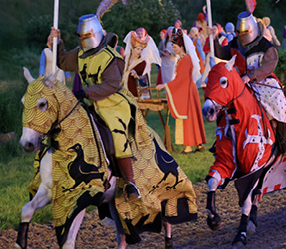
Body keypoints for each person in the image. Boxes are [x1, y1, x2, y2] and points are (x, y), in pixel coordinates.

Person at [49, 15, 141, 201]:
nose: (84, 40)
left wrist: (87, 92)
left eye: (87, 36)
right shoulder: (80, 54)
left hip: (112, 103)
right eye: (81, 37)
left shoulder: (110, 57)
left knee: (116, 132)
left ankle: (130, 183)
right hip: (87, 101)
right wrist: (56, 42)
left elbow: (112, 84)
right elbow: (62, 61)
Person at [214, 11, 286, 156]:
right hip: (240, 82)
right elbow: (221, 53)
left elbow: (270, 64)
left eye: (245, 32)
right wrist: (215, 37)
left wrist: (252, 76)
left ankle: (282, 142)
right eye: (240, 32)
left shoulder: (265, 45)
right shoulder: (236, 43)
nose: (242, 35)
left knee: (278, 101)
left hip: (263, 81)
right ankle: (221, 140)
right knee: (220, 101)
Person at [155, 29, 206, 154]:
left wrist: (164, 86)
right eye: (173, 46)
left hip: (187, 90)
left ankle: (189, 146)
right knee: (192, 117)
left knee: (188, 118)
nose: (174, 49)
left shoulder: (185, 59)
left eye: (176, 46)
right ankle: (198, 144)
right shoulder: (182, 59)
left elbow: (181, 79)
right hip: (187, 89)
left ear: (181, 46)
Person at [122, 28, 161, 99]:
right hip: (122, 89)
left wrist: (136, 75)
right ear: (132, 49)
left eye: (141, 50)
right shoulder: (127, 58)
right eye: (138, 49)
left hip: (133, 92)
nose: (140, 51)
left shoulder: (142, 62)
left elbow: (143, 78)